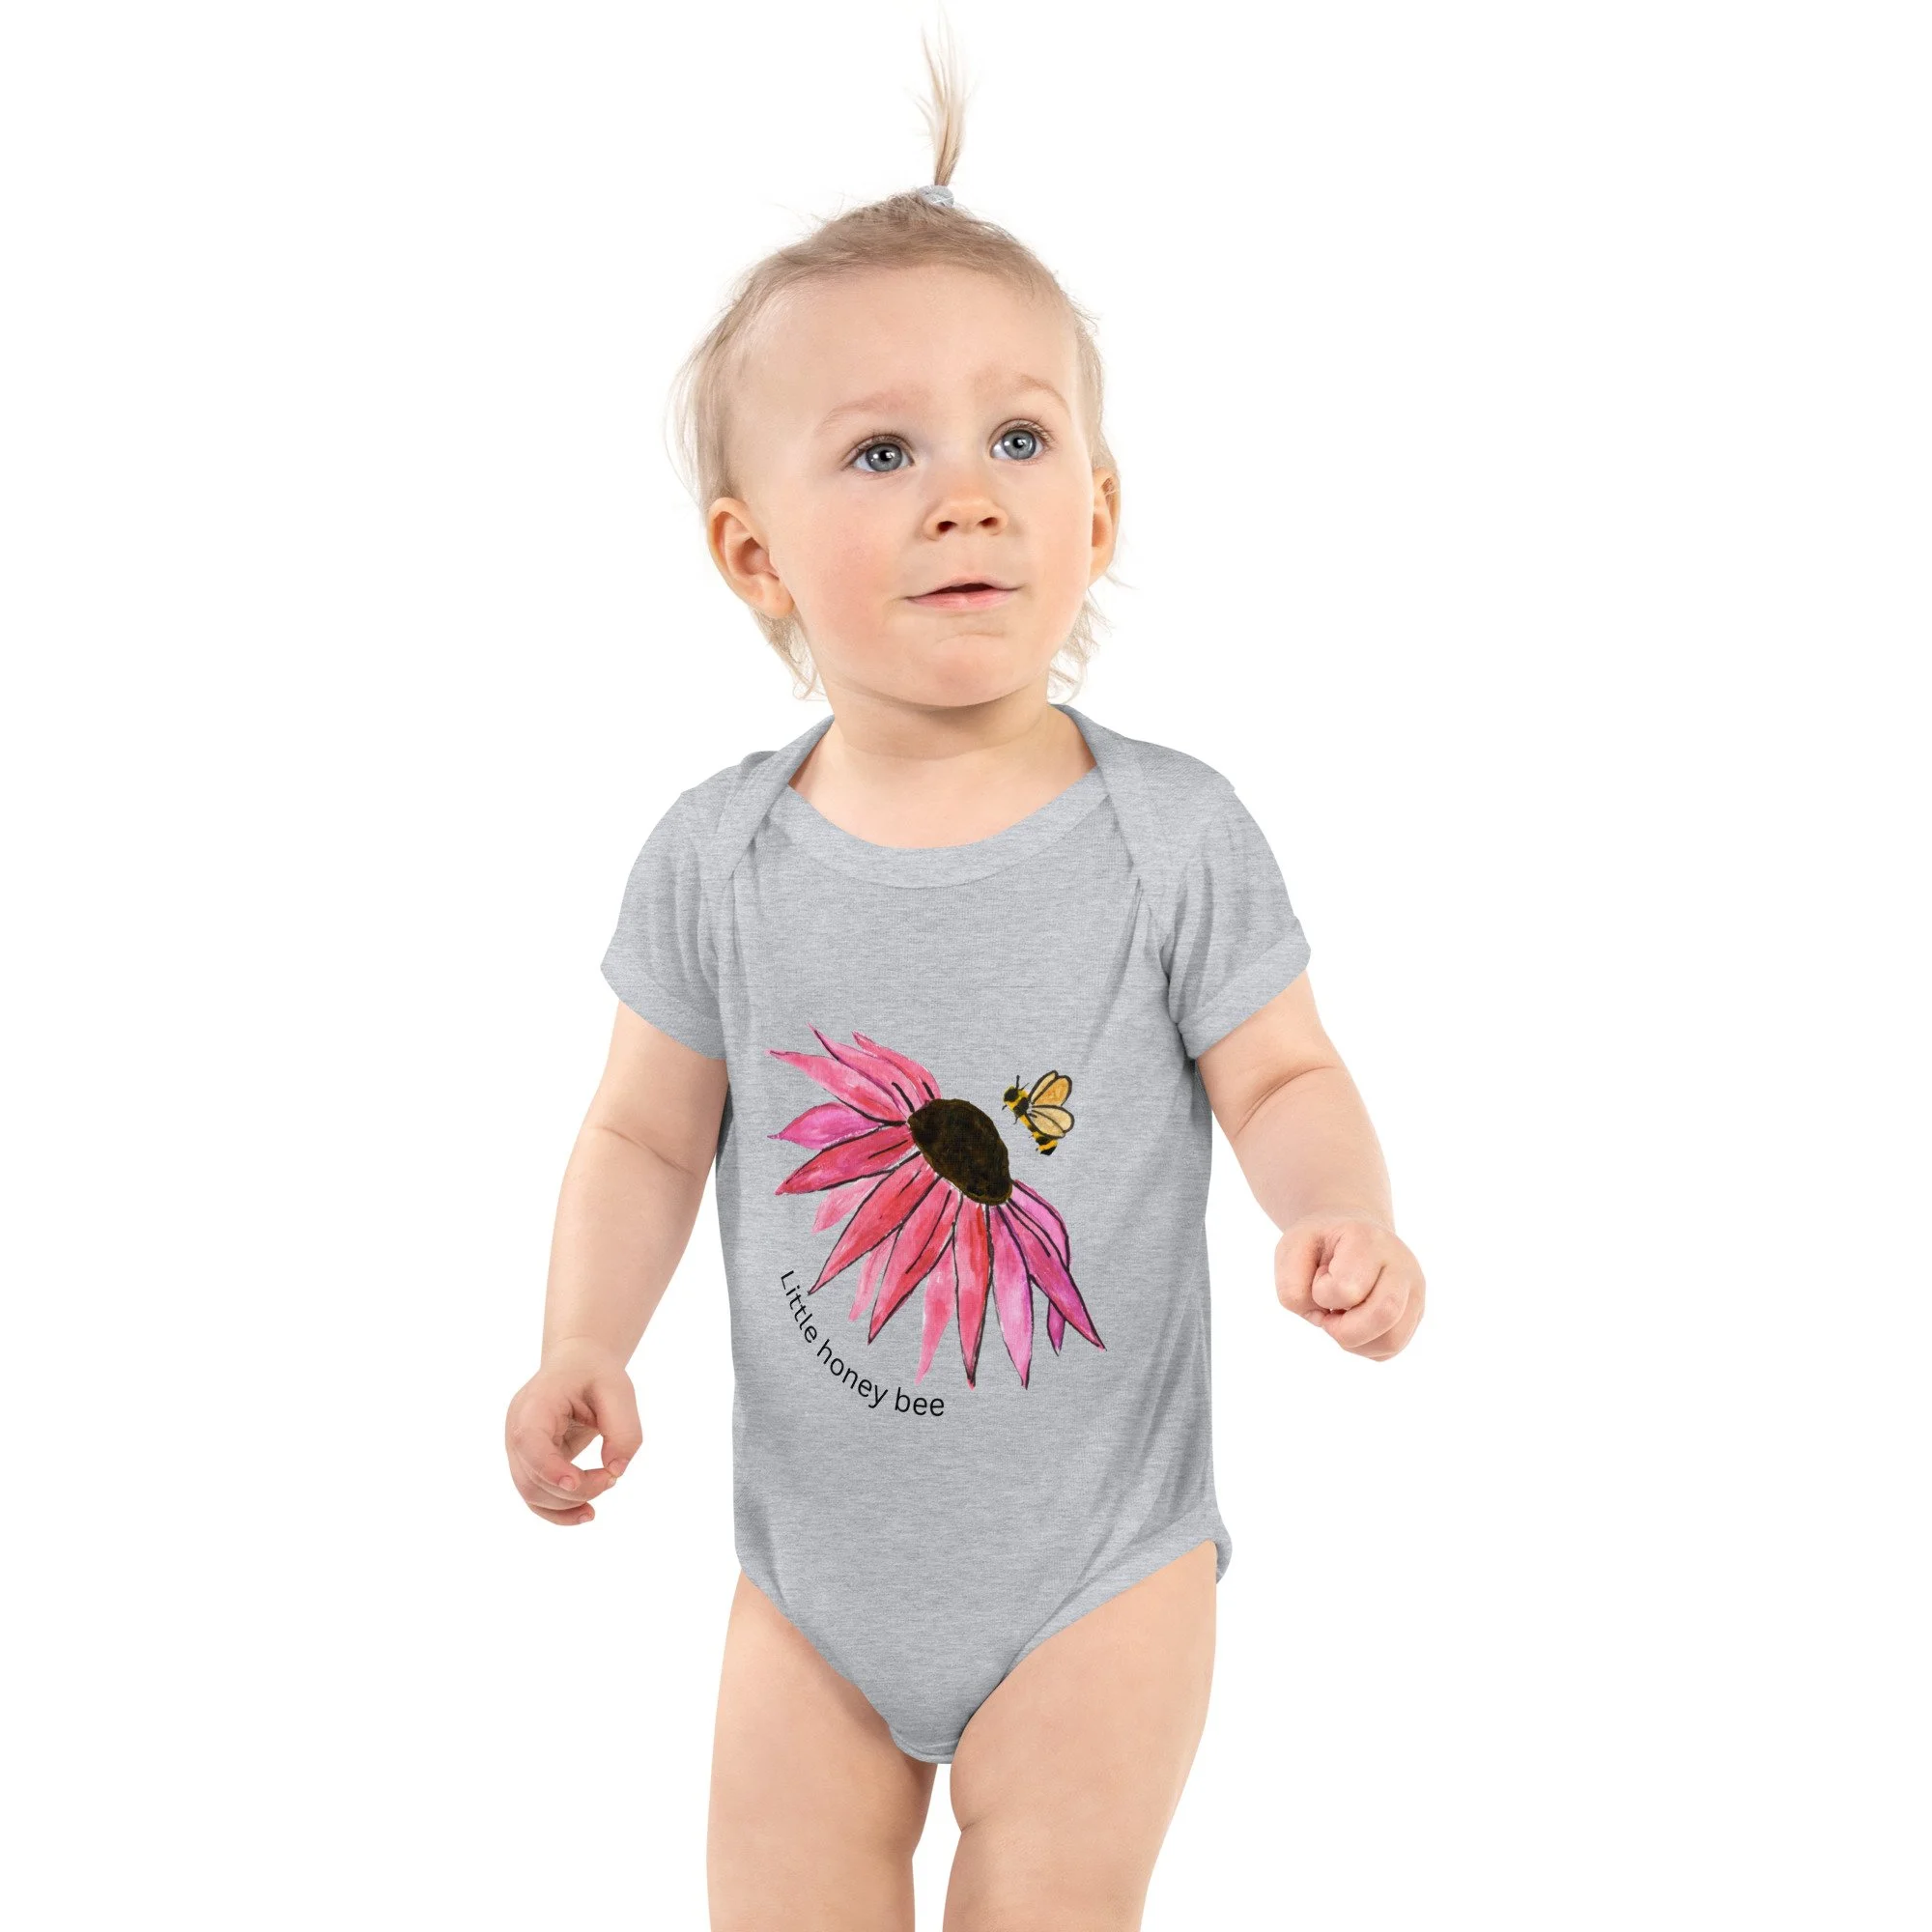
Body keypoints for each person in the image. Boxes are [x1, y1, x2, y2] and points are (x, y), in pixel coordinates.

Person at [502, 26, 1425, 1928]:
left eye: (1018, 438)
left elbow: (1280, 1074)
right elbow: (642, 1135)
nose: (966, 494)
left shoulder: (1168, 834)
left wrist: (1337, 1210)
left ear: (1099, 513)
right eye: (881, 451)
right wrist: (584, 1335)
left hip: (1100, 1566)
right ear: (752, 555)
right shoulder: (719, 858)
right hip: (809, 1586)